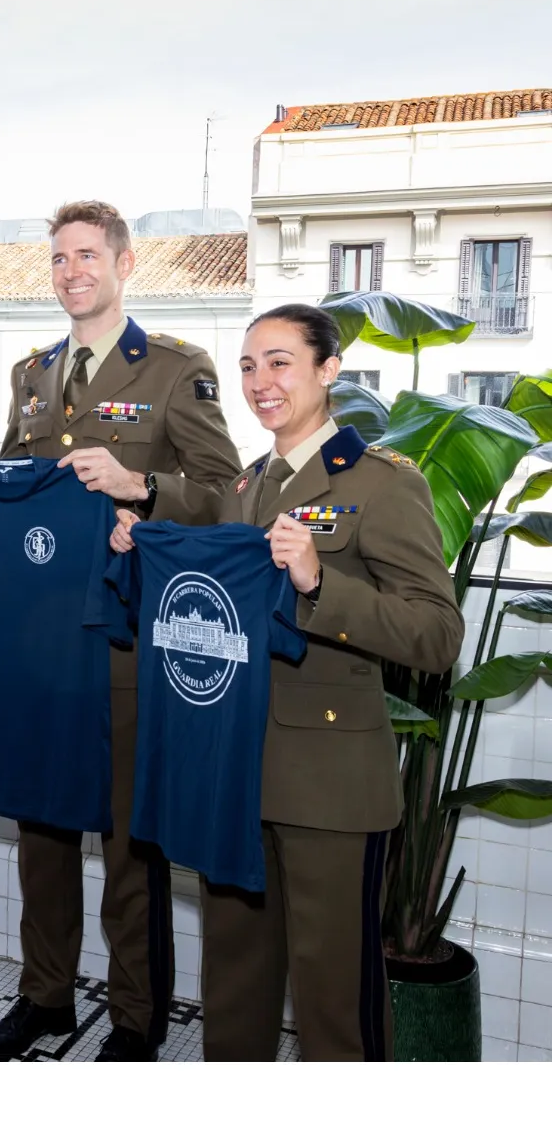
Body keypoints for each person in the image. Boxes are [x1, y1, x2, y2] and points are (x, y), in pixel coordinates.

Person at [0, 200, 241, 1061]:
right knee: (42, 832)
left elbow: (224, 491)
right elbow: (19, 487)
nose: (70, 272)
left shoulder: (174, 368)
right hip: (37, 642)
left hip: (126, 637)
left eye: (86, 255)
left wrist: (140, 486)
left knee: (130, 845)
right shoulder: (33, 373)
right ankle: (46, 996)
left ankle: (135, 1021)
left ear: (125, 265)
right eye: (58, 259)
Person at [109, 303, 463, 1061]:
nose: (259, 381)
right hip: (232, 774)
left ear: (328, 371)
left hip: (329, 785)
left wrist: (316, 584)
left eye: (279, 362)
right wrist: (142, 547)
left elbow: (437, 636)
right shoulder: (244, 487)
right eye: (247, 365)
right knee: (234, 988)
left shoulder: (382, 483)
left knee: (335, 999)